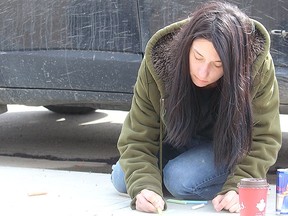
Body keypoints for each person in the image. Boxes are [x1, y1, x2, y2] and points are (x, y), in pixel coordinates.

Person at [111, 0, 282, 213]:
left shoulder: (257, 67)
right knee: (122, 177)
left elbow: (264, 138)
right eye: (197, 57)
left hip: (225, 147)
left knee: (180, 179)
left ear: (236, 64)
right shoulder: (159, 61)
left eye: (218, 65)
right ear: (186, 47)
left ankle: (187, 176)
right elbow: (137, 137)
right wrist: (145, 188)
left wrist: (239, 186)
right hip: (177, 139)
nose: (203, 73)